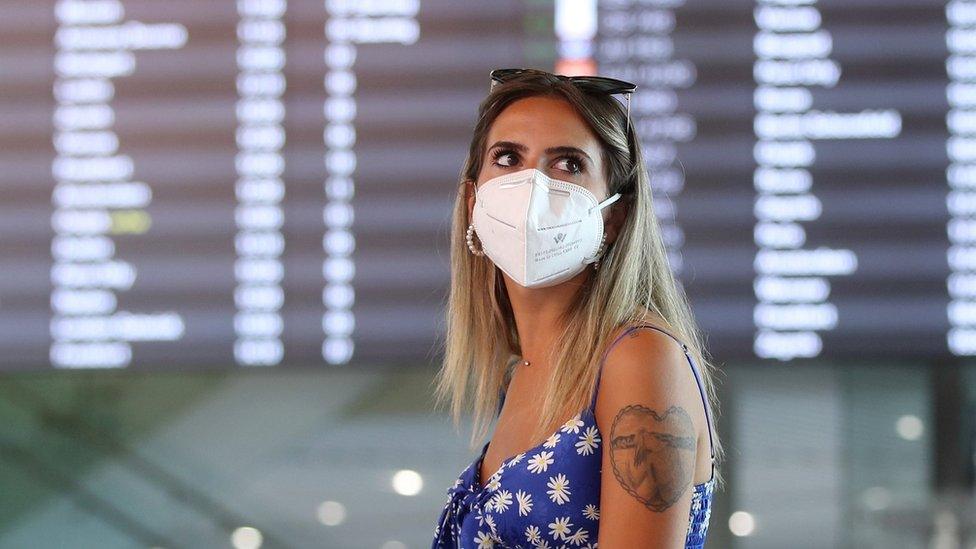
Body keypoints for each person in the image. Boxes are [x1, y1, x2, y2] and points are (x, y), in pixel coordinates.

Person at [430, 68, 724, 548]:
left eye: (567, 164)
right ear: (471, 199)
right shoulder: (519, 371)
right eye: (507, 157)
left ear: (615, 215)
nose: (532, 189)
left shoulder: (640, 357)